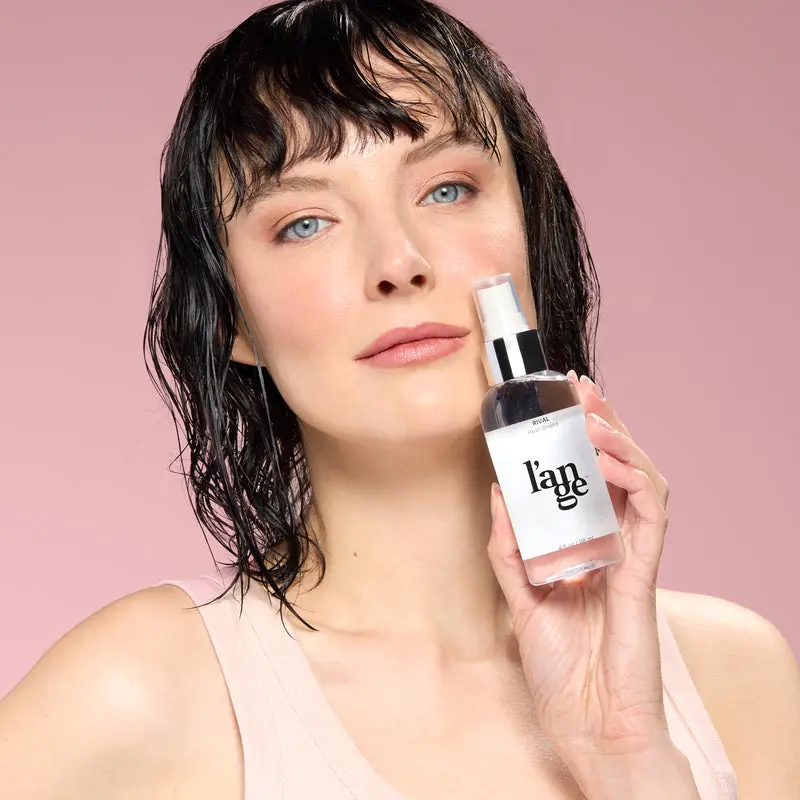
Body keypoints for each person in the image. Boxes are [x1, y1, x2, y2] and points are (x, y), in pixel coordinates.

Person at [2, 0, 798, 797]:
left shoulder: (738, 678)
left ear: (531, 226)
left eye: (447, 190)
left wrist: (624, 753)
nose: (398, 262)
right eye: (306, 223)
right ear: (230, 316)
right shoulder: (140, 698)